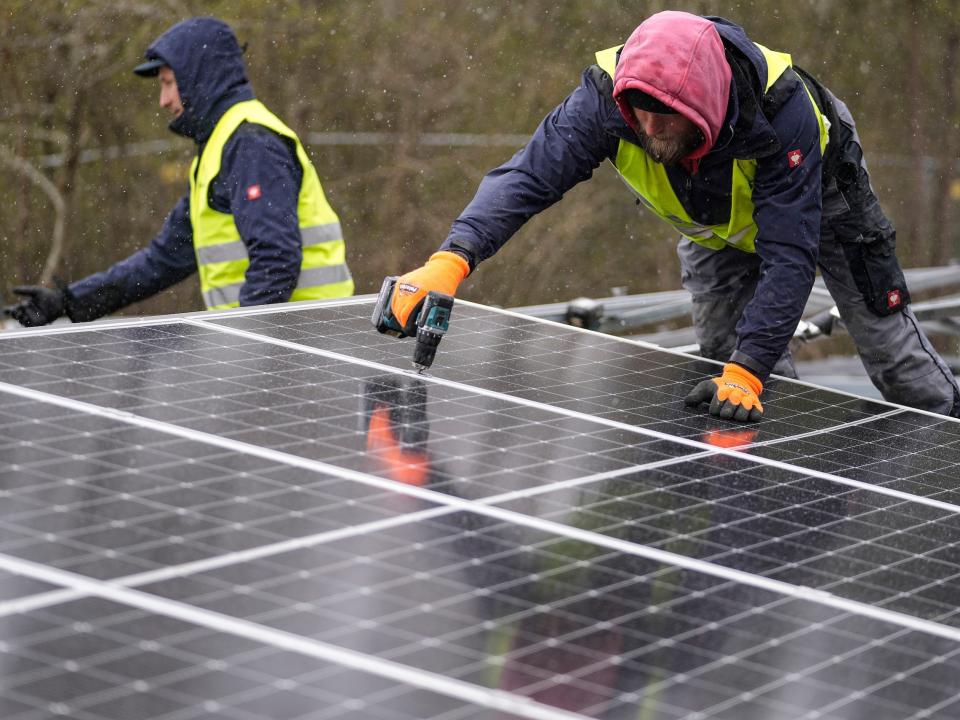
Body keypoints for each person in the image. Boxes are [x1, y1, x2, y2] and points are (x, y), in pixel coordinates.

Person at [381, 10, 960, 422]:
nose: (650, 128)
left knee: (894, 358)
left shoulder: (785, 115)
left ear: (706, 101)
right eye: (641, 113)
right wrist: (450, 260)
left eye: (668, 116)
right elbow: (527, 179)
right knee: (725, 368)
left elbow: (790, 257)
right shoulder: (603, 102)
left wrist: (749, 369)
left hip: (821, 205)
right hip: (712, 223)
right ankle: (773, 501)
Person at [4, 16, 353, 327]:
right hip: (284, 346)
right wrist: (68, 301)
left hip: (307, 344)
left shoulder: (250, 143)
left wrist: (248, 345)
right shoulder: (220, 147)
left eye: (169, 82)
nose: (163, 100)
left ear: (200, 78)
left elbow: (276, 259)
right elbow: (163, 259)